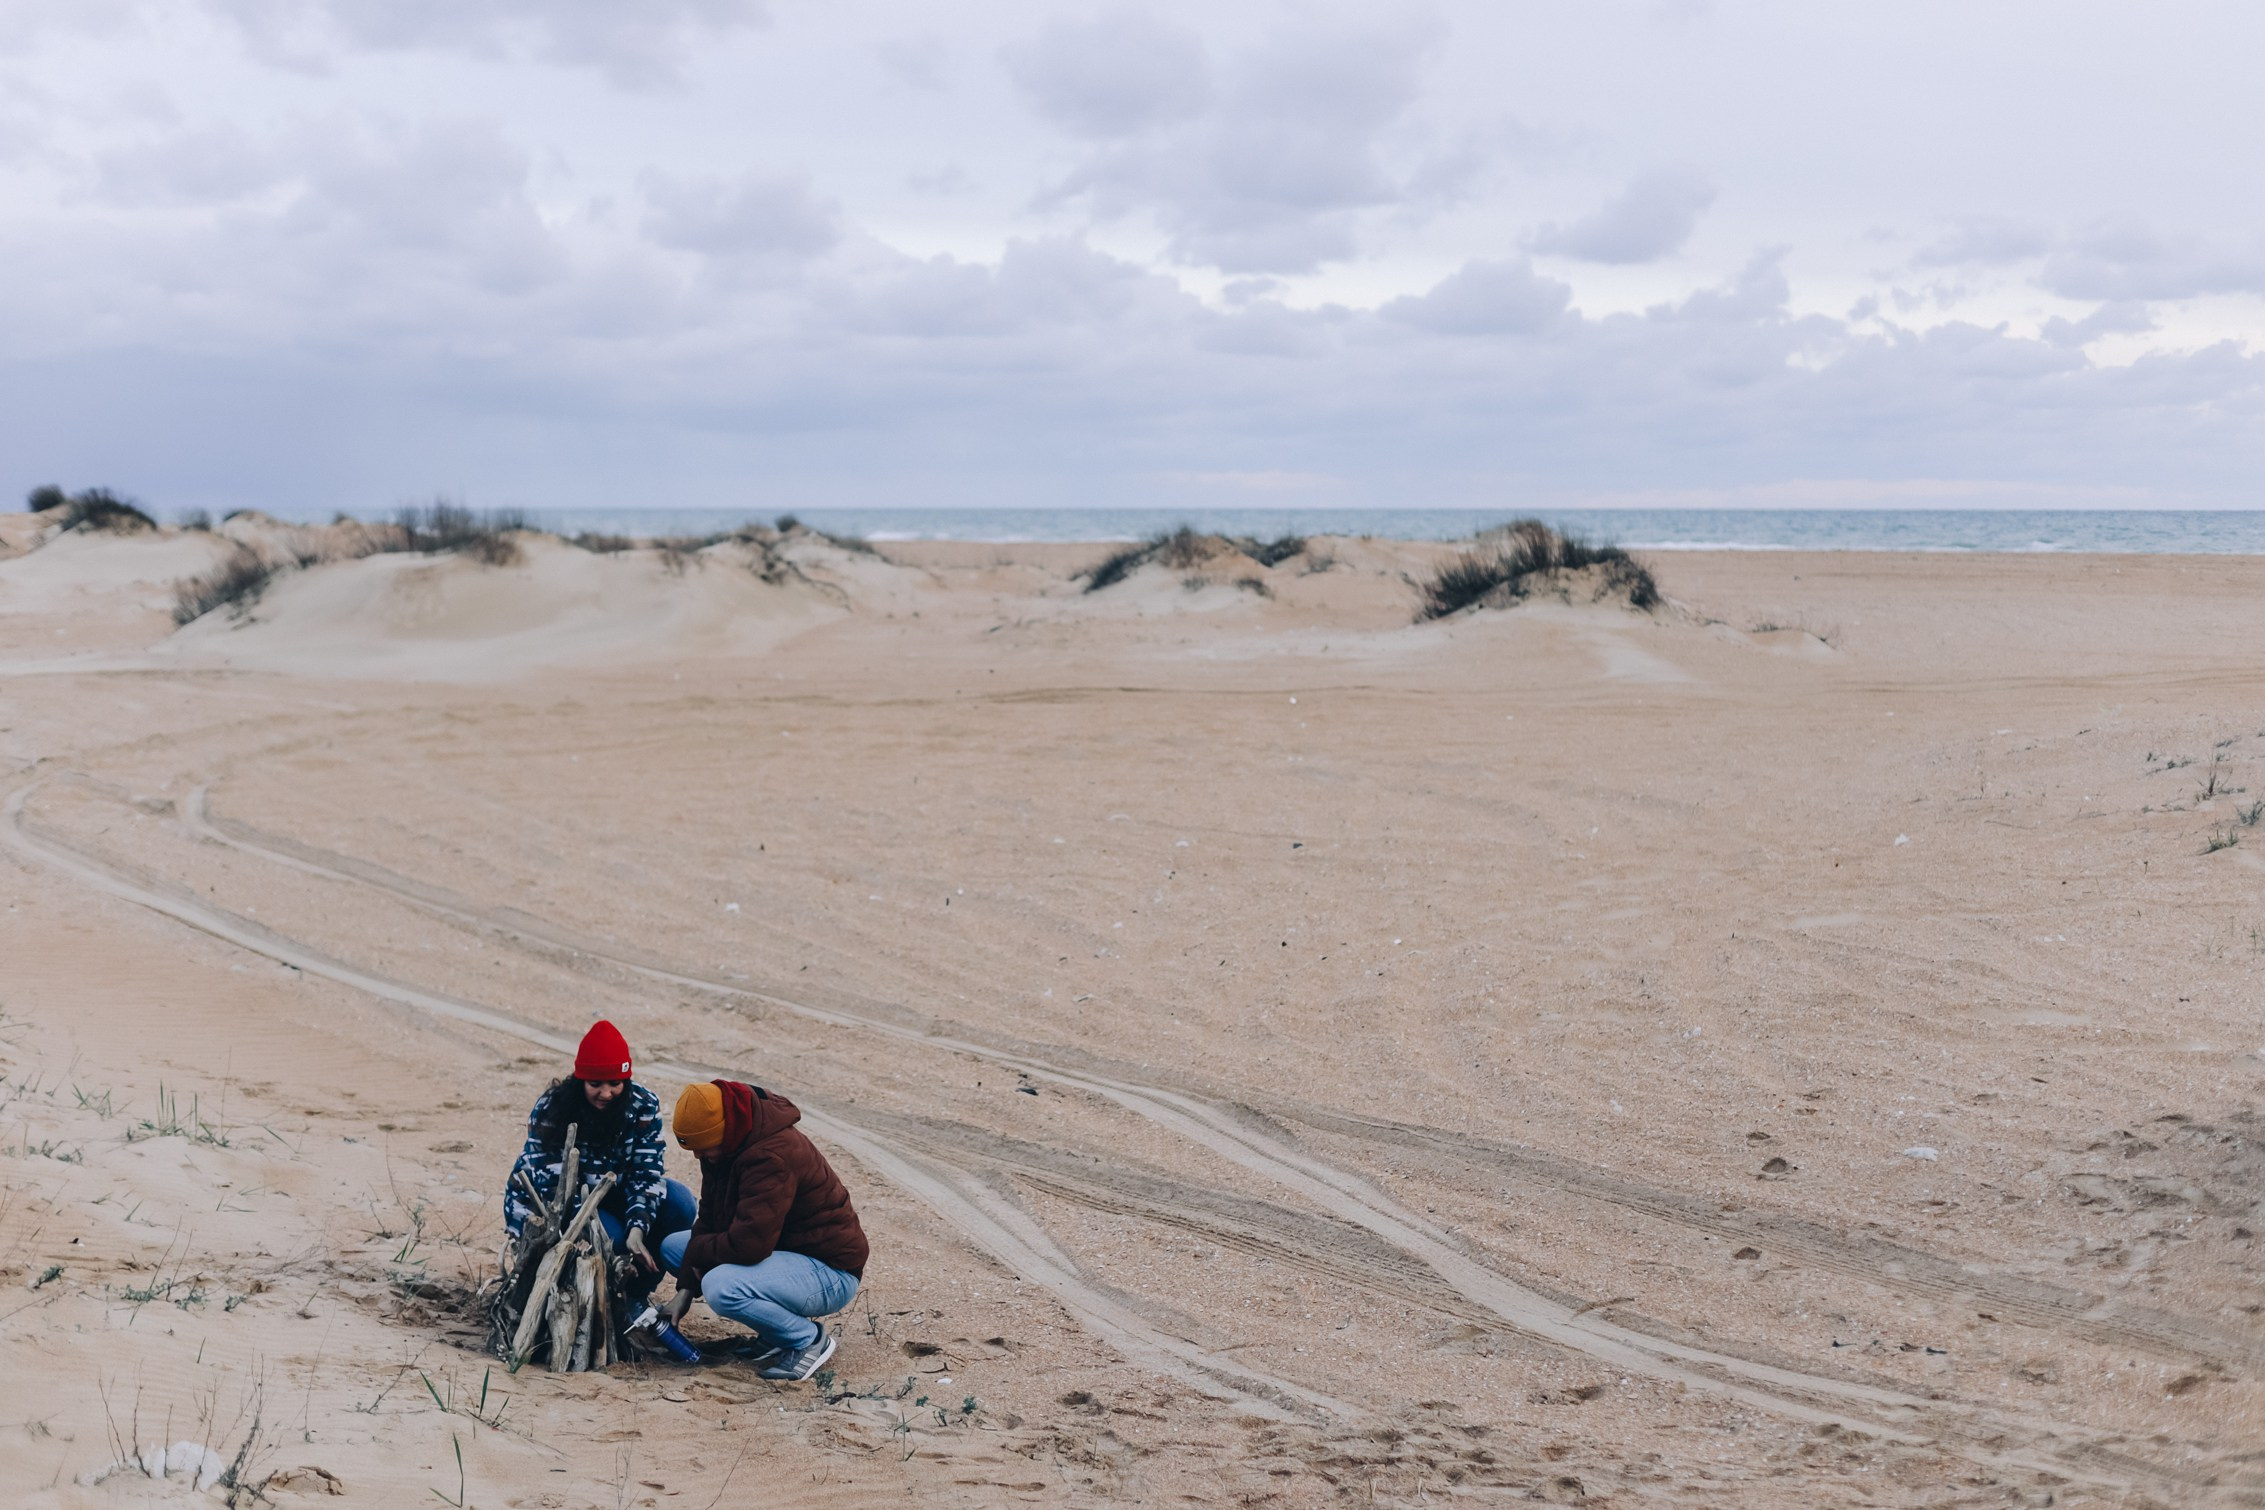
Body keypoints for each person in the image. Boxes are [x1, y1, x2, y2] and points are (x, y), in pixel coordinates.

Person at [659, 1079, 868, 1380]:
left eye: (703, 1148)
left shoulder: (771, 1155)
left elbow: (749, 1247)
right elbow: (709, 1218)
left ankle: (807, 1340)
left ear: (722, 1132)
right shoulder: (724, 1145)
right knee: (673, 1248)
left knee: (721, 1287)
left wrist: (698, 1258)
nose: (698, 1156)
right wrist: (686, 1289)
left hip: (830, 1272)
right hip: (781, 1252)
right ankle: (775, 1335)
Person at [503, 1020, 693, 1302]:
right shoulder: (552, 1109)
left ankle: (635, 1295)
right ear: (580, 1081)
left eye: (615, 1083)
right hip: (556, 1203)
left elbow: (646, 1173)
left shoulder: (644, 1105)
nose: (606, 1094)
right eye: (595, 1084)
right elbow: (554, 1190)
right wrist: (616, 1237)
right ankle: (594, 1296)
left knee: (680, 1203)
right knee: (612, 1237)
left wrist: (638, 1227)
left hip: (612, 1192)